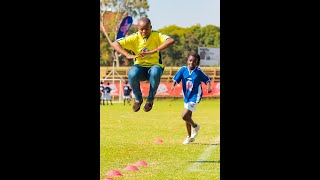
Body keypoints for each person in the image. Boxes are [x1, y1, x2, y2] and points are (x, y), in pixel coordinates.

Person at [111, 17, 175, 112]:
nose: (144, 31)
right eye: (141, 29)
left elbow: (170, 40)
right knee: (132, 73)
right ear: (138, 28)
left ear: (151, 27)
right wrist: (127, 55)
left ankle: (150, 99)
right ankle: (138, 99)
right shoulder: (134, 37)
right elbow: (114, 44)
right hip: (140, 68)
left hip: (154, 66)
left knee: (155, 72)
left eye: (146, 29)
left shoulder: (156, 35)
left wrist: (155, 49)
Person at [171, 52, 212, 144]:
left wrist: (209, 87)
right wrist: (173, 85)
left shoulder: (198, 71)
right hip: (186, 96)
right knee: (188, 116)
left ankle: (195, 126)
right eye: (190, 60)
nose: (191, 62)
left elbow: (207, 80)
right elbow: (176, 79)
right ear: (187, 61)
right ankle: (189, 137)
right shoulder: (183, 70)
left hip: (195, 96)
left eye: (194, 61)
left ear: (197, 63)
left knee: (184, 115)